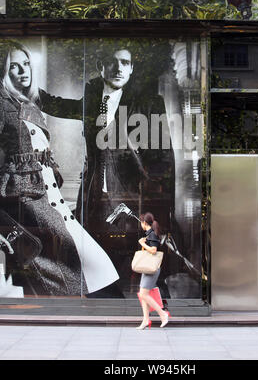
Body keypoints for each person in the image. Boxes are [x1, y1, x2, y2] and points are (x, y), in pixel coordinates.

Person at [40, 40, 176, 297]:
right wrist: (32, 95)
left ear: (132, 68)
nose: (118, 68)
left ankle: (158, 308)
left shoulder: (147, 102)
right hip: (96, 198)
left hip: (132, 198)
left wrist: (158, 208)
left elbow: (162, 158)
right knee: (97, 263)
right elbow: (64, 106)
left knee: (147, 265)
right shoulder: (92, 98)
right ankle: (107, 307)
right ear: (100, 66)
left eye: (125, 62)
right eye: (112, 62)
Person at [0, 40, 119, 296]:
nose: (24, 71)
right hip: (28, 209)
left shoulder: (33, 98)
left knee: (94, 273)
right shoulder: (2, 104)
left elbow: (76, 109)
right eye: (14, 66)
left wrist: (103, 93)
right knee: (72, 279)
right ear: (3, 70)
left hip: (49, 201)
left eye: (26, 64)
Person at [136, 212, 169, 329]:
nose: (140, 224)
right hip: (147, 268)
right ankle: (145, 320)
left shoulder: (152, 235)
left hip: (151, 269)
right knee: (143, 294)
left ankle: (162, 314)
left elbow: (154, 250)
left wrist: (141, 243)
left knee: (144, 294)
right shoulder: (149, 234)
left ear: (144, 223)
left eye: (141, 222)